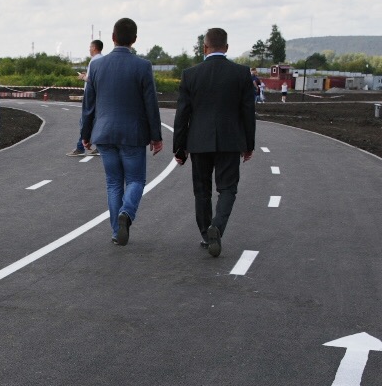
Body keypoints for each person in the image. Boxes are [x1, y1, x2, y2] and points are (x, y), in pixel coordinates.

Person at [173, 27, 256, 257]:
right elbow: (248, 112)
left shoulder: (190, 74)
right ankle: (216, 227)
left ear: (204, 47)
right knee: (227, 189)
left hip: (198, 141)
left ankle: (205, 235)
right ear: (227, 48)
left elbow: (182, 115)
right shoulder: (241, 74)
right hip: (230, 141)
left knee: (202, 191)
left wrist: (179, 147)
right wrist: (249, 144)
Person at [80, 18, 163, 245]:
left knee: (113, 183)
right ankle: (126, 213)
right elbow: (150, 104)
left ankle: (117, 232)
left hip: (104, 134)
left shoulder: (96, 66)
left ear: (113, 38)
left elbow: (89, 104)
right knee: (136, 180)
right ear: (134, 40)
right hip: (133, 135)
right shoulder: (143, 66)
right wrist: (156, 136)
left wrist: (85, 135)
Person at [67, 39, 105, 156]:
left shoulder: (94, 60)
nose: (89, 49)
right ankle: (98, 146)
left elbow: (91, 79)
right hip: (99, 95)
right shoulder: (103, 59)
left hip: (92, 96)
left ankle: (81, 147)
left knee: (84, 121)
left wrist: (83, 77)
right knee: (95, 121)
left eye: (90, 47)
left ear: (94, 48)